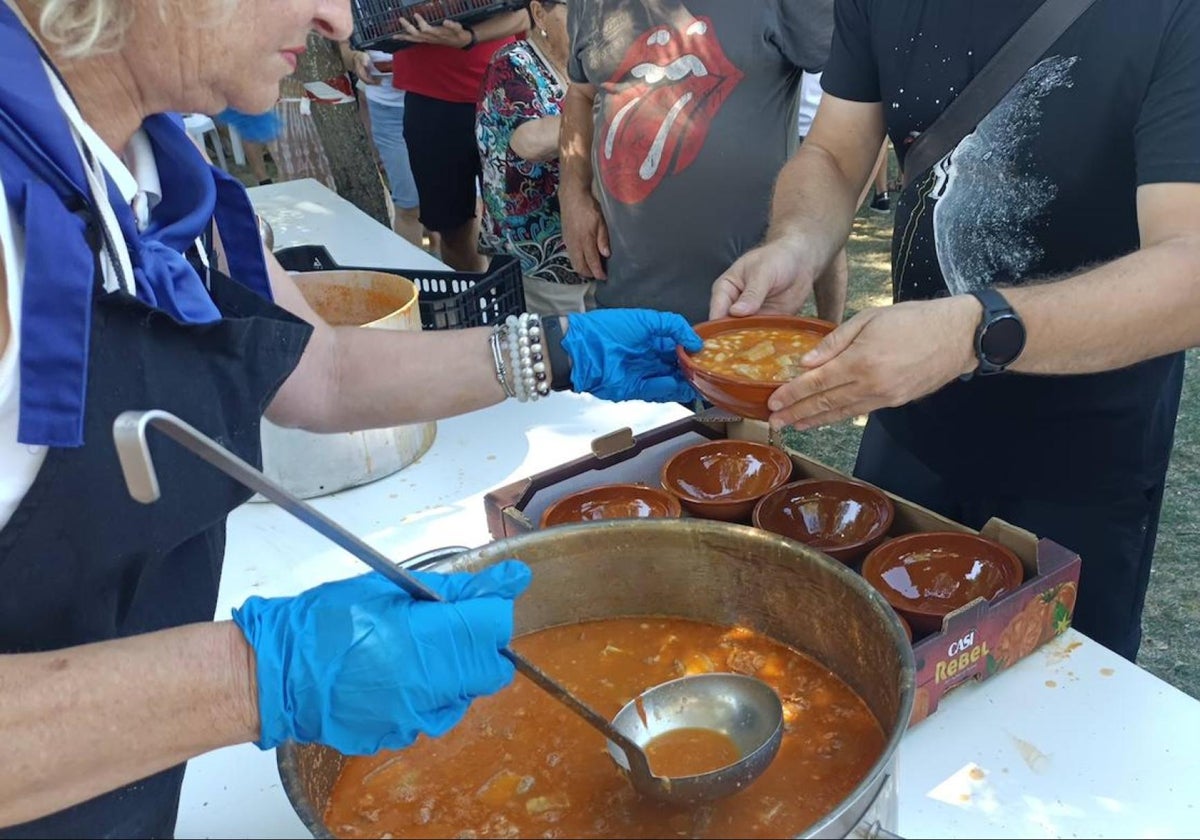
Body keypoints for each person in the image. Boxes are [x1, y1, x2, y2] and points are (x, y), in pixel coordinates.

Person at [0, 0, 705, 835]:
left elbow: (321, 370)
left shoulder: (154, 157)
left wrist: (557, 350)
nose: (338, 18)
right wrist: (263, 676)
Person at [710, 0, 1200, 662]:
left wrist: (972, 333)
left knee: (1049, 711)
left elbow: (1189, 271)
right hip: (906, 425)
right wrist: (797, 243)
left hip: (1083, 460)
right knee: (872, 661)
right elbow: (831, 151)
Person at [559, 0, 838, 325]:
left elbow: (859, 87)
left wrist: (822, 195)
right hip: (621, 305)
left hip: (746, 309)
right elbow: (580, 93)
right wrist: (573, 193)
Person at [387, 8, 530, 272]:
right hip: (431, 99)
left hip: (505, 95)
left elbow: (528, 12)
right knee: (451, 227)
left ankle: (520, 306)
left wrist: (471, 37)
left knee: (520, 224)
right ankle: (477, 300)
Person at [476, 0, 594, 314]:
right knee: (557, 356)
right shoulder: (512, 63)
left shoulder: (592, 65)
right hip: (538, 262)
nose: (588, 17)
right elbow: (528, 140)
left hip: (594, 251)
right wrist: (613, 115)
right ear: (539, 12)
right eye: (573, 6)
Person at [339, 42, 427, 248]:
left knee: (460, 206)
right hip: (388, 111)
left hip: (437, 97)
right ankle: (412, 276)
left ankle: (461, 273)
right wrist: (355, 58)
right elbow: (343, 50)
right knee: (409, 204)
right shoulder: (355, 9)